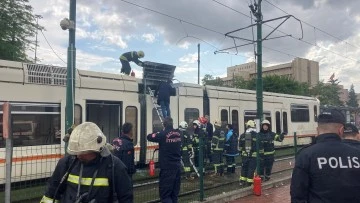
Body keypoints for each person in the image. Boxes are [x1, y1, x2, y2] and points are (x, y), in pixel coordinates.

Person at [40, 122, 133, 203]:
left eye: (83, 152)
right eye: (76, 152)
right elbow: (51, 194)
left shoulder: (115, 167)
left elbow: (125, 198)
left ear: (97, 149)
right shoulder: (66, 164)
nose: (78, 155)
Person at [290, 109, 360, 202]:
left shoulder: (306, 155)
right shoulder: (356, 154)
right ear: (341, 130)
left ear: (318, 130)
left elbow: (298, 194)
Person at [147, 117, 182, 203]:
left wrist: (158, 132)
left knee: (165, 195)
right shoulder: (179, 133)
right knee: (174, 194)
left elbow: (149, 137)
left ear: (164, 124)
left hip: (167, 168)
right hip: (177, 167)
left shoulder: (162, 134)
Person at [239, 120, 263, 186]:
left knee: (244, 168)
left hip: (244, 156)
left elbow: (240, 147)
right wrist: (261, 155)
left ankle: (242, 181)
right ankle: (249, 182)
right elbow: (260, 147)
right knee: (251, 169)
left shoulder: (243, 135)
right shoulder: (257, 135)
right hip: (253, 156)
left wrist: (241, 153)